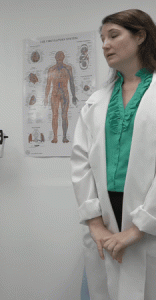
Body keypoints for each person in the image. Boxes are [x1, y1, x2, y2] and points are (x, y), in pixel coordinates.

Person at [71, 9, 156, 300]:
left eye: (114, 35)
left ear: (141, 36)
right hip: (105, 221)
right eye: (102, 38)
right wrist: (94, 223)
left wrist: (140, 228)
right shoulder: (96, 101)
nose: (105, 44)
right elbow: (80, 162)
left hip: (149, 219)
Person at [44, 51, 78, 143]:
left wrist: (74, 95)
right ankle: (55, 137)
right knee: (55, 115)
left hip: (64, 93)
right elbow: (48, 84)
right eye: (58, 56)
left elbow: (71, 82)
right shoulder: (51, 69)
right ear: (55, 57)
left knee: (64, 115)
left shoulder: (68, 68)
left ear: (63, 57)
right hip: (55, 93)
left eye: (61, 56)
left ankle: (64, 136)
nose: (59, 57)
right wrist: (46, 97)